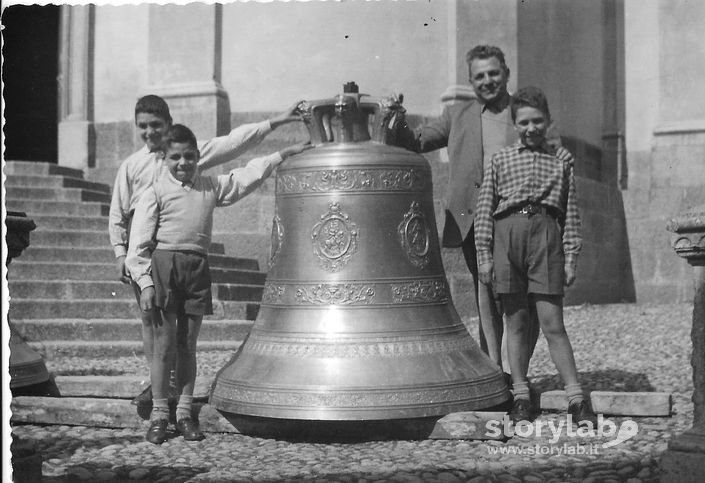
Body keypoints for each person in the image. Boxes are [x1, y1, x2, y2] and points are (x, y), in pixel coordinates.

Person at [109, 95, 302, 409]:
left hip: (182, 248)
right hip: (144, 249)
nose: (149, 132)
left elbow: (233, 143)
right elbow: (118, 211)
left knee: (182, 334)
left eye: (156, 125)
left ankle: (174, 389)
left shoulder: (183, 154)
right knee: (152, 323)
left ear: (169, 124)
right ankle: (157, 386)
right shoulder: (131, 165)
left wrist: (278, 120)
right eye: (142, 126)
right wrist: (120, 252)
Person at [393, 45, 566, 374]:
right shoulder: (458, 114)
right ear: (471, 81)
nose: (488, 81)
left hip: (523, 221)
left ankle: (519, 376)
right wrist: (396, 118)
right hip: (476, 221)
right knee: (487, 297)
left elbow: (557, 163)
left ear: (506, 73)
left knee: (525, 301)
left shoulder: (525, 111)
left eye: (494, 73)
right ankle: (492, 371)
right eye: (480, 76)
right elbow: (415, 141)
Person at [474, 86, 596, 426]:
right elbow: (485, 210)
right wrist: (484, 255)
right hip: (507, 237)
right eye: (524, 122)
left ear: (549, 121)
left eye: (538, 121)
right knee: (516, 321)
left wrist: (571, 256)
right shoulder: (500, 160)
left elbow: (570, 214)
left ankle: (575, 397)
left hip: (546, 236)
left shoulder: (561, 162)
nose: (531, 128)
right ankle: (521, 395)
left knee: (553, 323)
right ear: (515, 124)